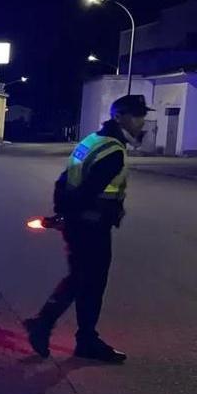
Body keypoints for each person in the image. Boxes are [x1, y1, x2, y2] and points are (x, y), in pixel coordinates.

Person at [23, 94, 151, 363]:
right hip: (91, 226)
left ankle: (74, 334)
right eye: (137, 115)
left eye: (142, 115)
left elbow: (63, 180)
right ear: (119, 117)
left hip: (80, 224)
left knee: (82, 279)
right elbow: (88, 190)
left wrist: (62, 215)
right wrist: (76, 217)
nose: (142, 120)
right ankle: (53, 327)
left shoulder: (92, 141)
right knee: (90, 282)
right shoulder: (113, 150)